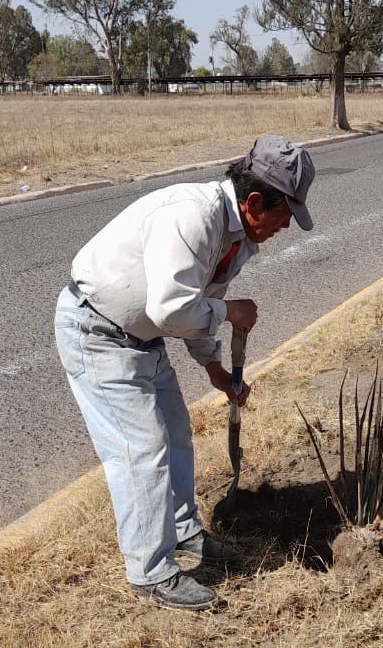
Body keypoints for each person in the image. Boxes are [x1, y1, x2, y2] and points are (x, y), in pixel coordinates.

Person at [54, 135, 316, 612]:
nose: (286, 227)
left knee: (175, 436)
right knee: (141, 450)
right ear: (254, 201)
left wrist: (214, 367)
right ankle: (150, 572)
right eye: (285, 215)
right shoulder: (192, 216)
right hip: (98, 332)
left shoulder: (238, 240)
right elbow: (173, 308)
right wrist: (230, 310)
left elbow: (193, 301)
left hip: (141, 339)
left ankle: (184, 533)